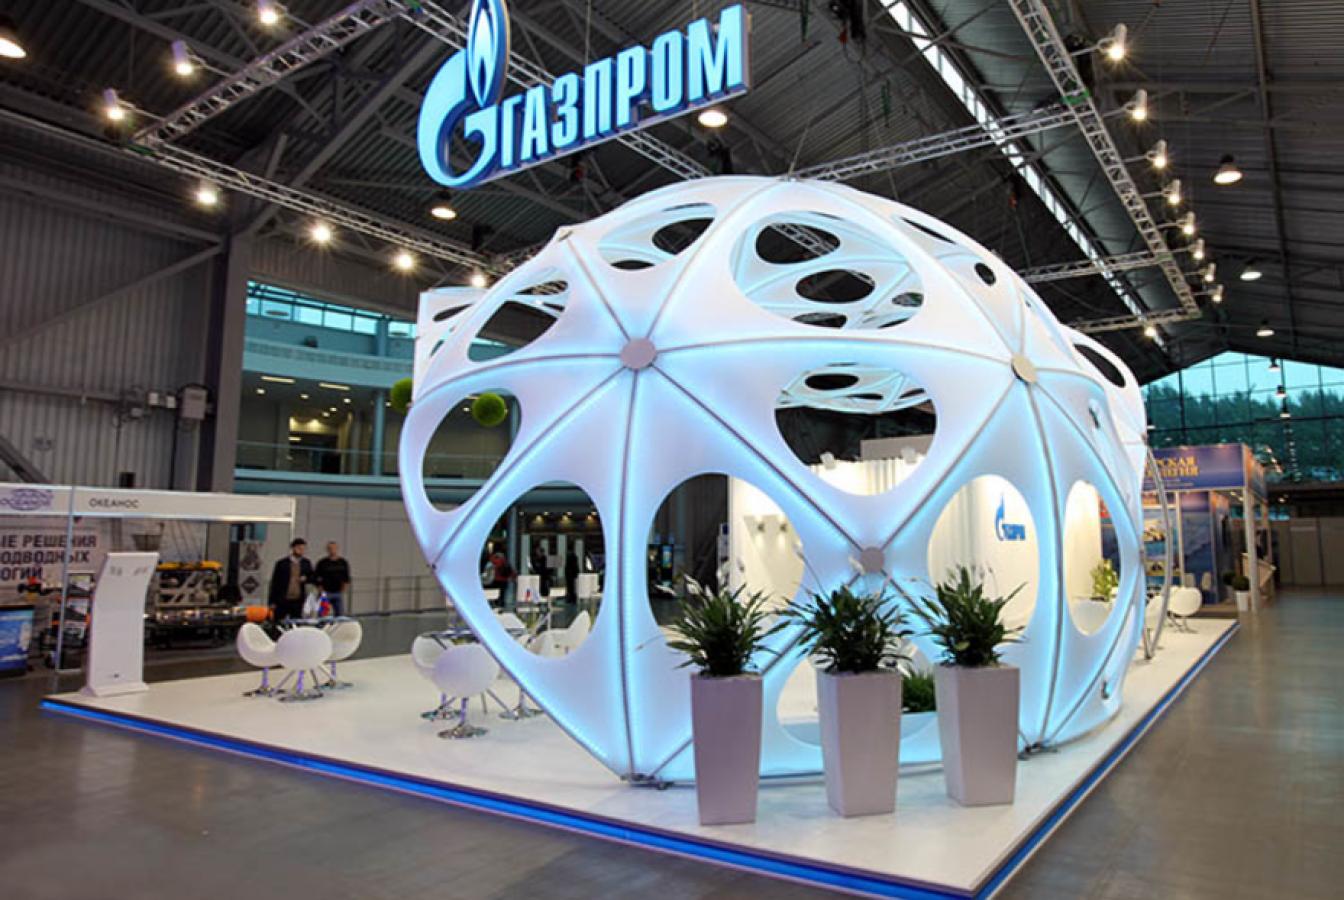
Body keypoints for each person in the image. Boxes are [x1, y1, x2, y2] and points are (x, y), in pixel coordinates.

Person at [268, 538, 313, 623]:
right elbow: (275, 583)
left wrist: (305, 578)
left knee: (296, 622)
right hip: (282, 599)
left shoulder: (306, 563)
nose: (301, 551)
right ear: (293, 548)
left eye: (303, 549)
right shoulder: (282, 564)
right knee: (278, 622)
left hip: (297, 600)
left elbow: (312, 577)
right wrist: (272, 601)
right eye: (299, 548)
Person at [314, 541, 351, 616]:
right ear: (327, 550)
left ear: (337, 549)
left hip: (338, 592)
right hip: (325, 592)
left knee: (340, 615)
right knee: (322, 614)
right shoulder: (322, 563)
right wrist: (321, 590)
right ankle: (322, 624)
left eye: (334, 548)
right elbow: (316, 577)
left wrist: (343, 589)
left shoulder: (343, 562)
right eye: (330, 548)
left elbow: (346, 577)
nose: (332, 550)